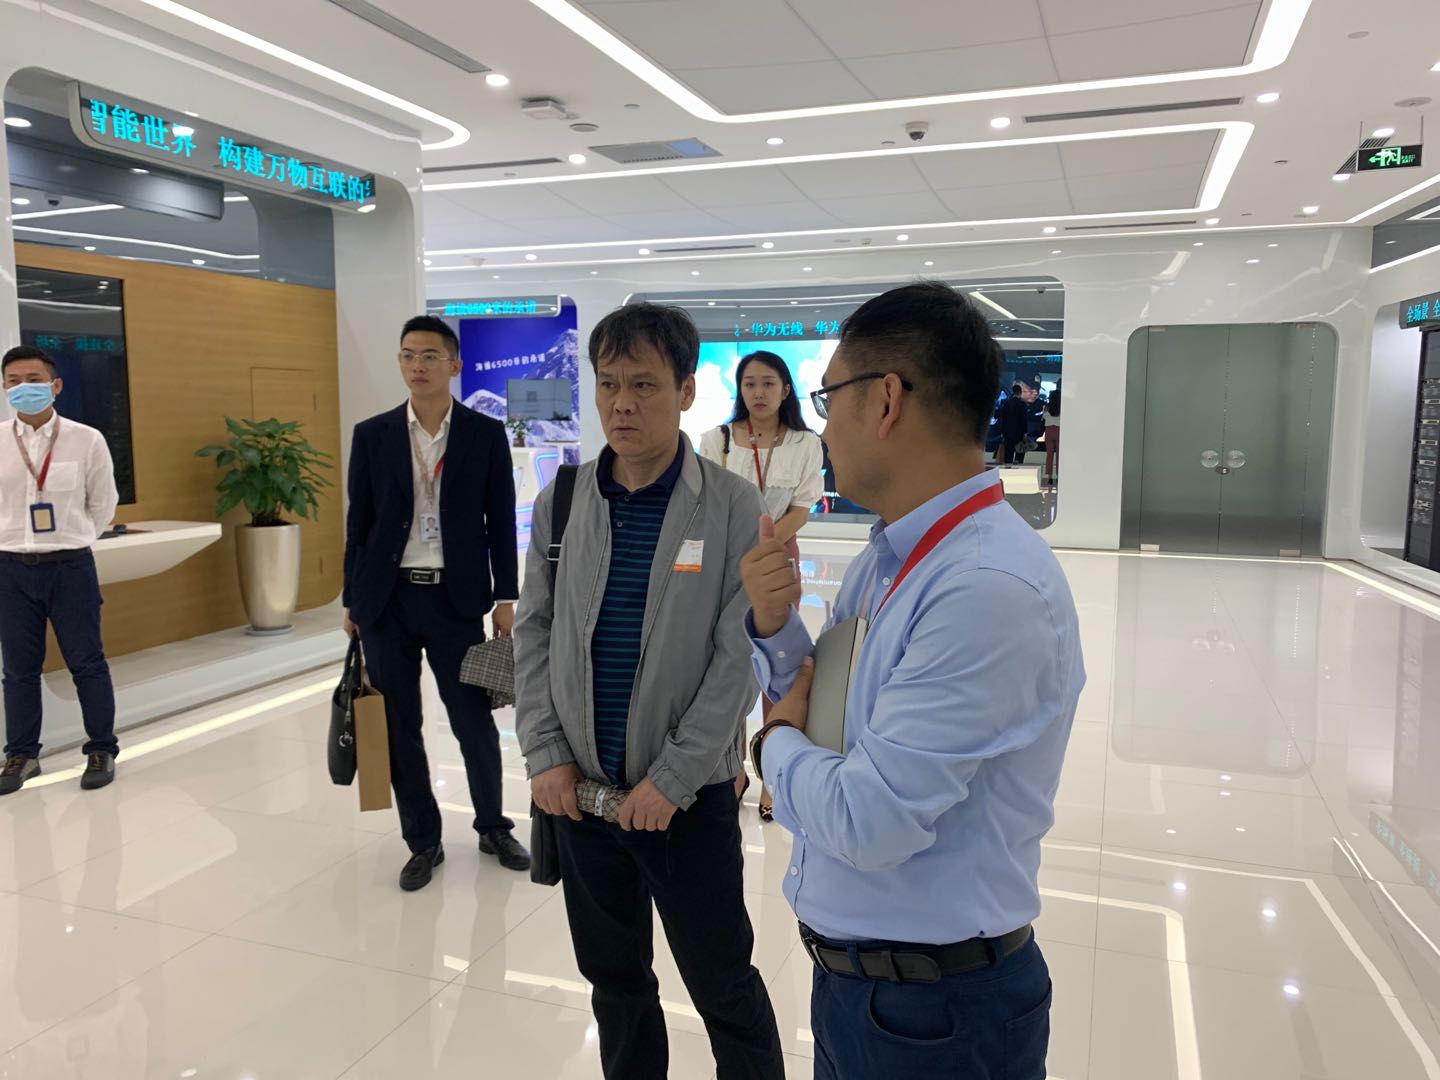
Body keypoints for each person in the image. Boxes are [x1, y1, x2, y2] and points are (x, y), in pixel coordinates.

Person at [740, 282, 1085, 1079]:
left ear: (886, 399)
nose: (823, 427)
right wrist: (774, 623)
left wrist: (770, 747)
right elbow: (827, 712)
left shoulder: (984, 586)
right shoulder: (893, 556)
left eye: (828, 399)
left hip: (939, 1016)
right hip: (867, 991)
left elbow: (869, 820)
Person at [514, 302, 783, 1080]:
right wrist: (546, 753)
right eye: (608, 384)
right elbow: (533, 631)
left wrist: (673, 777)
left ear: (686, 391)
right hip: (583, 797)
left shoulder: (731, 505)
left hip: (686, 803)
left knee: (722, 982)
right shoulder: (563, 499)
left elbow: (737, 654)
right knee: (615, 983)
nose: (622, 404)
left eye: (643, 384)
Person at [343, 315, 528, 892]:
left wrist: (506, 596)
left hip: (455, 599)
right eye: (407, 355)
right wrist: (352, 598)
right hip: (387, 600)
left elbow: (500, 520)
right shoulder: (372, 434)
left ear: (454, 364)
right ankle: (422, 841)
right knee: (399, 726)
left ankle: (493, 826)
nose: (417, 366)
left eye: (428, 356)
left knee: (472, 721)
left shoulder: (483, 433)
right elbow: (359, 524)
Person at [698, 350, 823, 819]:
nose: (758, 392)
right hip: (722, 562)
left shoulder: (805, 443)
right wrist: (737, 552)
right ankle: (732, 770)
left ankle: (773, 775)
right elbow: (705, 505)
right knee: (726, 664)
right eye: (749, 383)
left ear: (786, 389)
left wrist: (759, 548)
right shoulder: (717, 440)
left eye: (768, 383)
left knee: (777, 665)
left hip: (776, 559)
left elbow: (802, 508)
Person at [0, 345, 120, 795]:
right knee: (18, 670)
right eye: (13, 381)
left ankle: (101, 748)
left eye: (33, 380)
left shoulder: (86, 440)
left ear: (55, 385)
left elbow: (103, 505)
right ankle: (21, 754)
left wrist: (72, 537)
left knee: (86, 662)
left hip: (69, 566)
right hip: (10, 568)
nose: (23, 388)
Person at [997, 381, 1030, 464]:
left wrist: (1002, 431)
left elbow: (1003, 418)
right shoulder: (1022, 404)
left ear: (1013, 391)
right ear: (1020, 392)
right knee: (1020, 451)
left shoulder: (1006, 403)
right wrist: (1025, 433)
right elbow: (1024, 419)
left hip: (1007, 432)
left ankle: (1008, 468)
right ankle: (1018, 466)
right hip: (1019, 432)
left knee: (1008, 453)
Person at [1043, 385, 1061, 485]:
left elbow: (1044, 417)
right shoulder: (1062, 407)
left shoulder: (1046, 407)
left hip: (1049, 430)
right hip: (1059, 430)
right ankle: (1058, 476)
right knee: (1059, 455)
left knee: (1049, 455)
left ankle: (1049, 477)